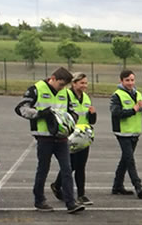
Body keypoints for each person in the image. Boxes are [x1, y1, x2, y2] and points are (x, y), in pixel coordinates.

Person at [14, 67, 85, 214]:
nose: (62, 88)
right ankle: (39, 200)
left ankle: (71, 203)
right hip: (44, 137)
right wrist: (41, 114)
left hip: (61, 138)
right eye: (60, 84)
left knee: (67, 169)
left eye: (64, 86)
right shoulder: (36, 89)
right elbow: (21, 108)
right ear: (52, 78)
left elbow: (74, 112)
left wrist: (69, 121)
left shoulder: (65, 92)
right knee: (43, 169)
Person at [50, 72, 97, 206]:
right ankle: (59, 186)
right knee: (70, 165)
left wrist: (93, 114)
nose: (84, 86)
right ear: (74, 83)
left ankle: (81, 194)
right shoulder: (66, 95)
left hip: (83, 137)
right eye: (81, 83)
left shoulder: (86, 98)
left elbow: (90, 120)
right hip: (70, 135)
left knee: (81, 166)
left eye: (86, 83)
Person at [110, 69, 142, 199]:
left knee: (125, 160)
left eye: (132, 80)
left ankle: (117, 186)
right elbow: (116, 113)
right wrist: (133, 110)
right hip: (123, 132)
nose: (130, 83)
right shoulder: (117, 95)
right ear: (121, 81)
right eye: (127, 80)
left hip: (135, 133)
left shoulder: (138, 94)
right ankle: (138, 186)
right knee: (130, 160)